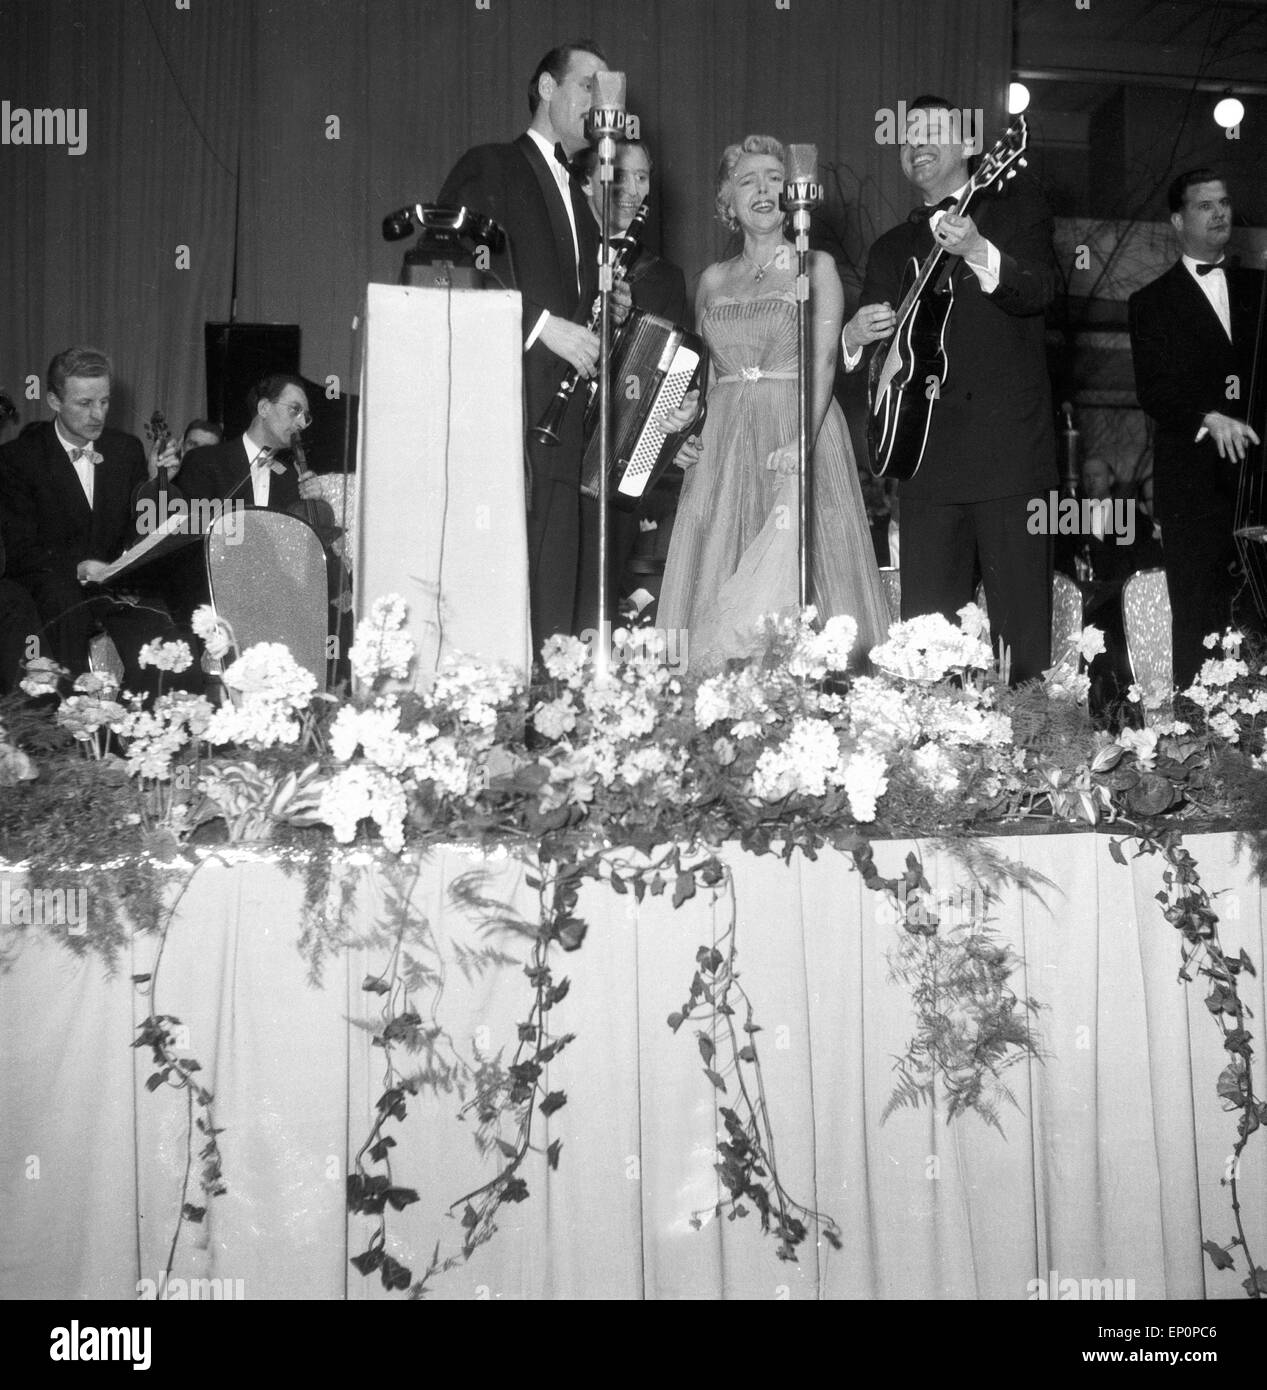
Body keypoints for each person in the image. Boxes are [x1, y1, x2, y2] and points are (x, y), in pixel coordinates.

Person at [842, 95, 1058, 683]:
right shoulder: (890, 247)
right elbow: (872, 353)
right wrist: (855, 337)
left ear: (971, 146)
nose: (916, 144)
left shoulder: (1018, 210)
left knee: (1024, 649)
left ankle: (1031, 768)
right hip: (925, 466)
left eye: (932, 130)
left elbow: (1040, 291)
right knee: (926, 650)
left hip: (1010, 459)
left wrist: (978, 251)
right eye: (907, 136)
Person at [659, 135, 890, 672]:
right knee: (721, 570)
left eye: (772, 178)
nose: (762, 190)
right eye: (746, 180)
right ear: (726, 201)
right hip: (724, 447)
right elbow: (702, 372)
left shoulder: (818, 266)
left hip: (796, 428)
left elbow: (825, 361)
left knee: (794, 580)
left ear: (792, 194)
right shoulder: (712, 280)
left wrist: (802, 440)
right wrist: (683, 434)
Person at [437, 39, 630, 651]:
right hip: (511, 414)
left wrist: (608, 311)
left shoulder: (582, 194)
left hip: (567, 427)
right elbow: (455, 264)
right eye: (586, 88)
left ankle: (552, 729)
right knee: (509, 589)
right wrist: (544, 327)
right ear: (547, 88)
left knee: (558, 598)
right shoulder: (492, 163)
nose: (600, 106)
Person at [1128, 168, 1265, 689]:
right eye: (1206, 205)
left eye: (1225, 202)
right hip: (1193, 488)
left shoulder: (1260, 290)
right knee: (1197, 620)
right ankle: (1198, 744)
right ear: (1178, 220)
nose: (1220, 213)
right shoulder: (1150, 302)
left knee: (1259, 616)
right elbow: (1154, 391)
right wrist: (1208, 416)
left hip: (1258, 485)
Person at [0, 346, 196, 697]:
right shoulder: (19, 458)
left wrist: (156, 483)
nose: (97, 415)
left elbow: (138, 532)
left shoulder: (126, 449)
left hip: (112, 587)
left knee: (171, 636)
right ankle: (71, 729)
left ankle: (143, 733)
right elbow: (20, 550)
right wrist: (79, 568)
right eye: (84, 403)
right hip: (53, 588)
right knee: (63, 603)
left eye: (104, 402)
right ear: (54, 401)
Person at [578, 136, 691, 622]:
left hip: (618, 457)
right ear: (587, 180)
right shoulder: (563, 257)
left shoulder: (663, 277)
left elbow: (672, 373)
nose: (631, 188)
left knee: (601, 597)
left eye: (642, 176)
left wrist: (679, 419)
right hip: (554, 448)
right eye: (619, 174)